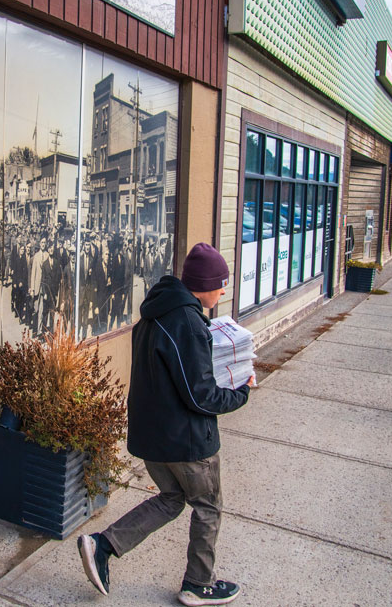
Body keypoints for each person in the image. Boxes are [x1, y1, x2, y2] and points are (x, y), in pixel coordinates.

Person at [77, 242, 258, 606]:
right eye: (221, 283)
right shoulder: (187, 322)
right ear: (204, 284)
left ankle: (103, 545)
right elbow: (200, 396)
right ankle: (199, 585)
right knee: (207, 506)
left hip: (154, 438)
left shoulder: (155, 313)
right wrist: (242, 391)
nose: (224, 290)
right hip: (187, 441)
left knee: (172, 499)